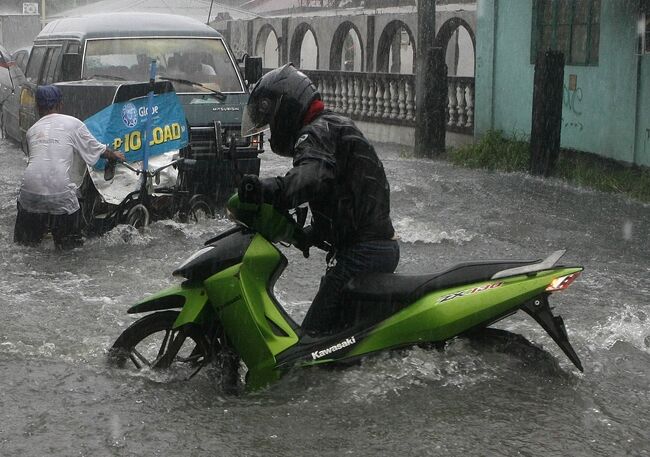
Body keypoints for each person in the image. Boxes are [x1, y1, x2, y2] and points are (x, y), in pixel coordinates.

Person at [239, 63, 399, 336]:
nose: (272, 130)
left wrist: (265, 188)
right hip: (373, 246)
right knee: (340, 335)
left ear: (285, 108)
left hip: (361, 253)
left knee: (311, 343)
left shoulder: (315, 132)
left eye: (270, 122)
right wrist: (314, 233)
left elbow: (310, 179)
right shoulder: (331, 125)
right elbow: (346, 193)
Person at [14, 85, 125, 250]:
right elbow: (97, 149)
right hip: (60, 192)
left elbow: (40, 162)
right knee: (70, 250)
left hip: (29, 192)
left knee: (25, 246)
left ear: (37, 107)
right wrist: (114, 155)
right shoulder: (73, 123)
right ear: (60, 105)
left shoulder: (31, 131)